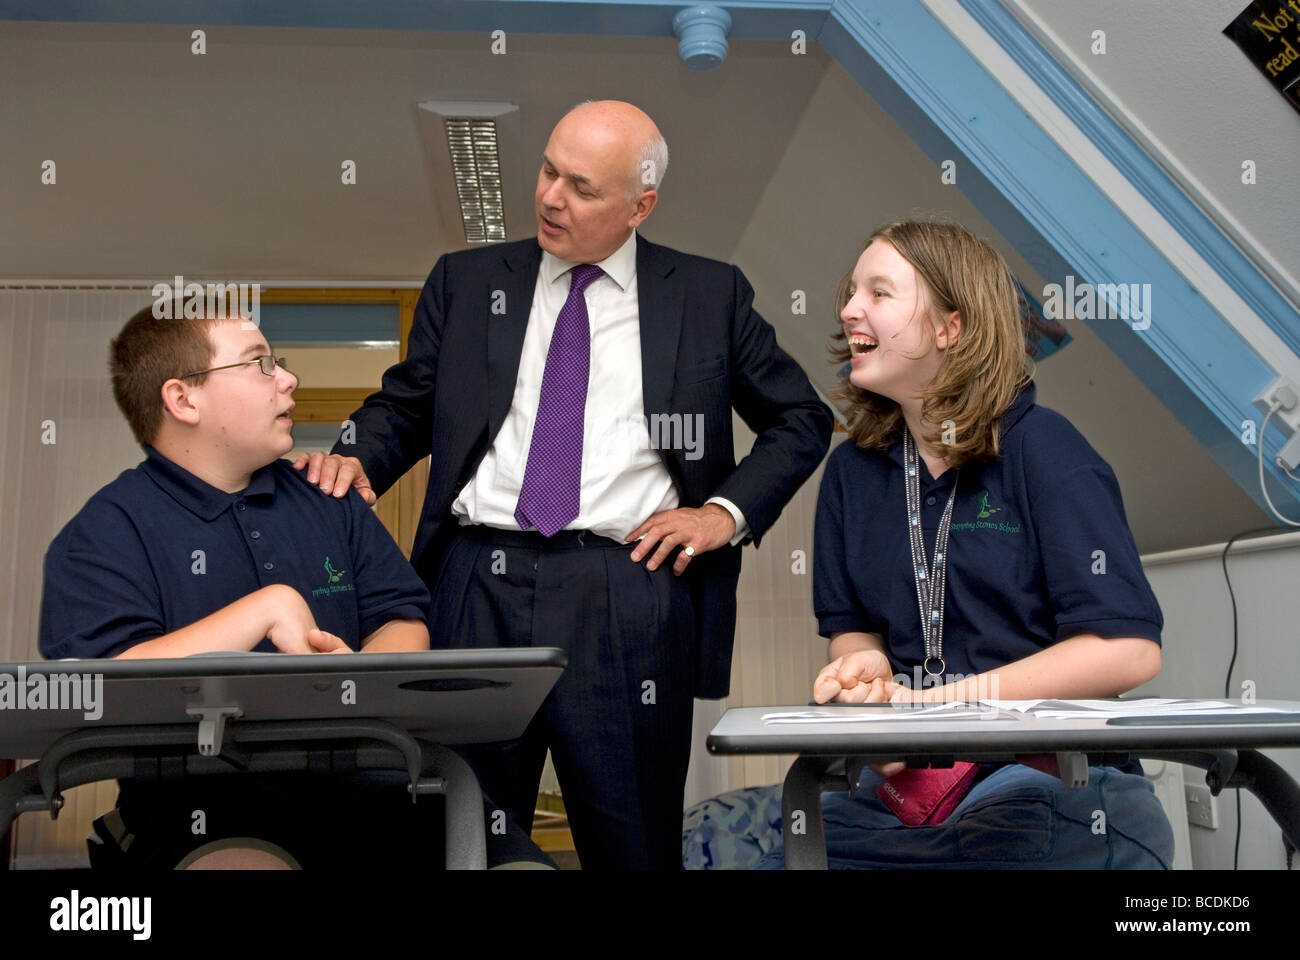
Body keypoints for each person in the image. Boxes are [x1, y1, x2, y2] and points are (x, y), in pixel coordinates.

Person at [296, 100, 834, 869]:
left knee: (633, 844)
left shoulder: (708, 294)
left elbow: (800, 417)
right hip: (474, 582)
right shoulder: (468, 279)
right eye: (548, 170)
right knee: (459, 831)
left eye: (581, 187)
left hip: (627, 590)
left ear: (639, 206)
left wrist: (723, 513)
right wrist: (355, 453)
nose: (550, 196)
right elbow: (408, 404)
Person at [682, 219, 1174, 869]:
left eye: (879, 294)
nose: (848, 309)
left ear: (951, 327)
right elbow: (855, 636)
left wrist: (933, 707)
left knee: (1007, 833)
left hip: (1046, 784)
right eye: (852, 292)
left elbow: (1127, 652)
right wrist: (867, 676)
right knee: (710, 839)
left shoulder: (1045, 451)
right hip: (904, 791)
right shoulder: (852, 473)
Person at [39, 305, 545, 869]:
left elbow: (400, 619)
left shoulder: (328, 497)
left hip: (370, 784)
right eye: (259, 365)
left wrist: (358, 683)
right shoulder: (107, 529)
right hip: (197, 802)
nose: (288, 378)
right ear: (183, 400)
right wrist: (265, 610)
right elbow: (103, 687)